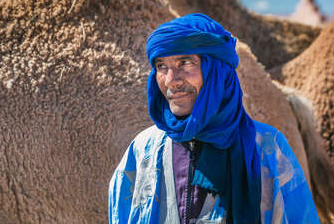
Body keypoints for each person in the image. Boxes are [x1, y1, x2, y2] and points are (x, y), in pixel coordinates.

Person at [108, 13, 320, 224]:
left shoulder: (268, 147)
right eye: (162, 66)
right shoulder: (143, 149)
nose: (171, 81)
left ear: (217, 72)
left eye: (185, 62)